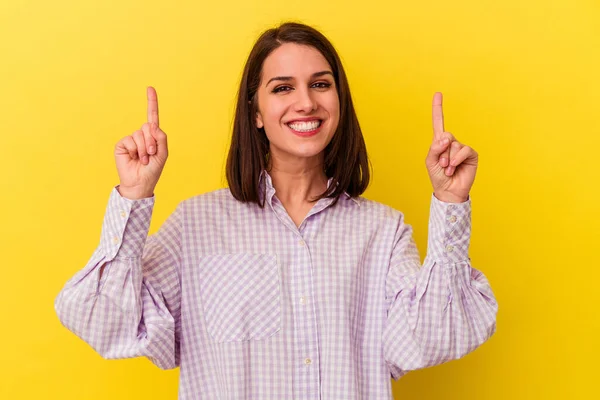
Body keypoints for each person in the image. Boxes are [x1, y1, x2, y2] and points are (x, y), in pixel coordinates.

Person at [55, 21, 498, 400]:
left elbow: (427, 338)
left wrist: (450, 203)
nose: (305, 102)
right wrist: (133, 196)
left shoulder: (382, 232)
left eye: (320, 84)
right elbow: (103, 321)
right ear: (257, 113)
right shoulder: (195, 226)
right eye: (282, 87)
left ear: (338, 103)